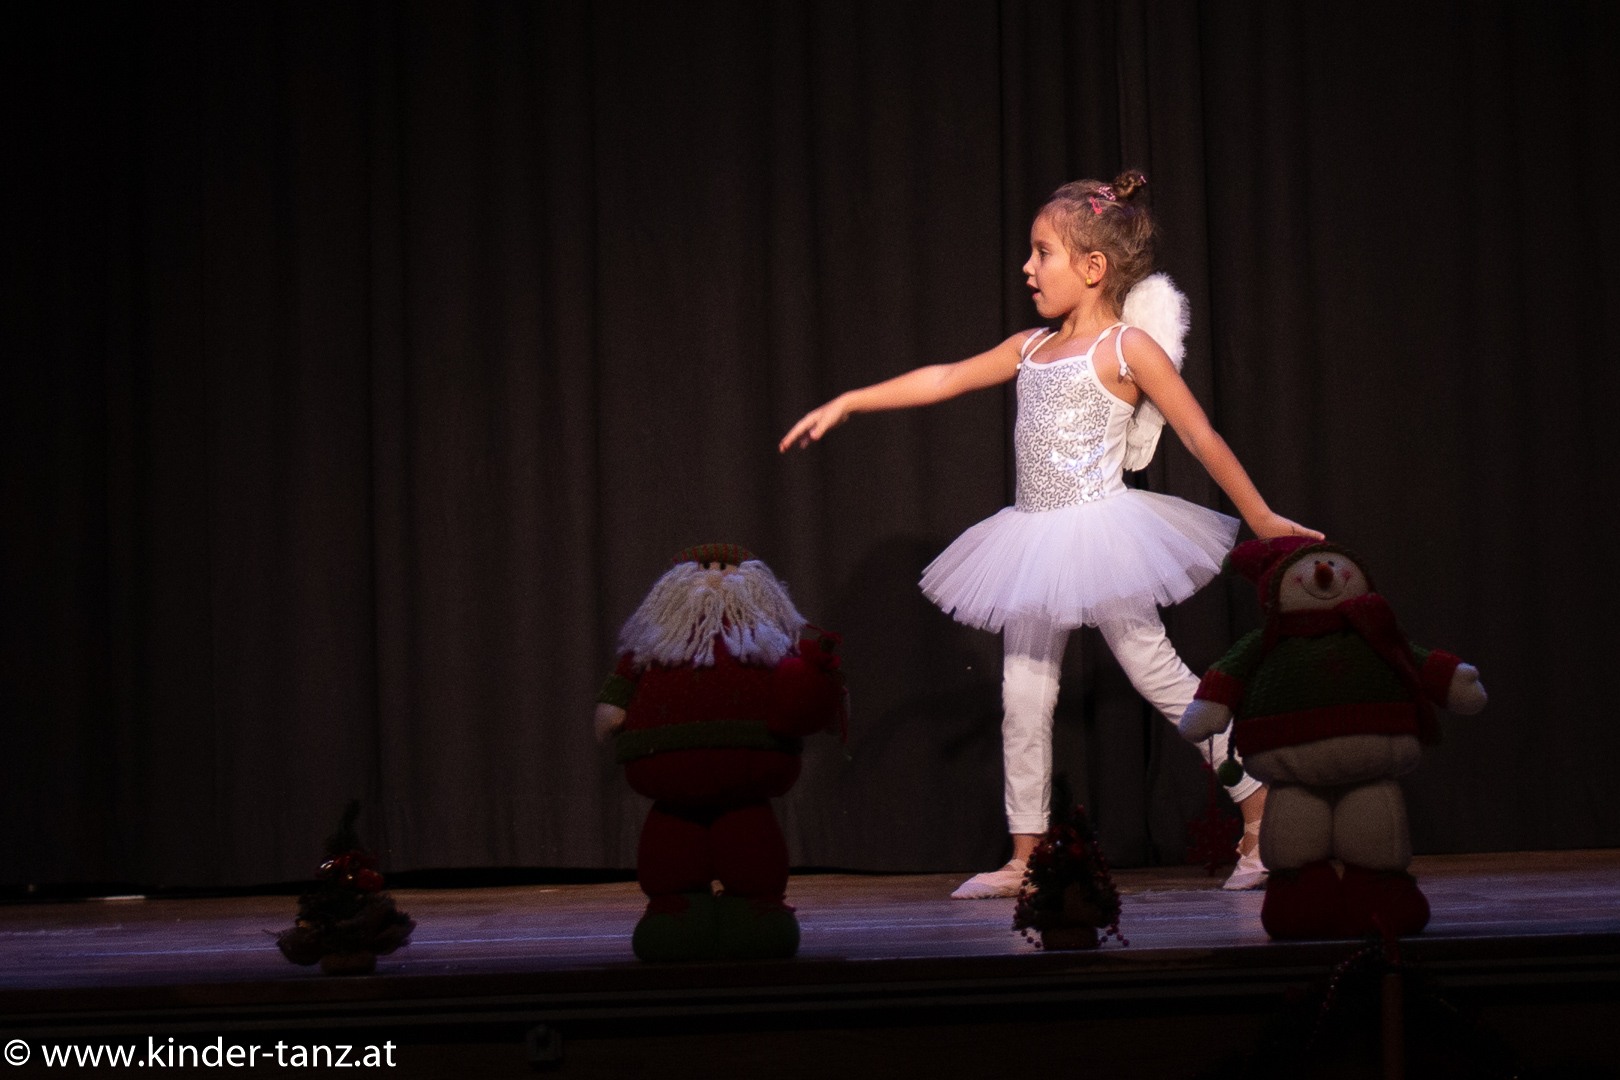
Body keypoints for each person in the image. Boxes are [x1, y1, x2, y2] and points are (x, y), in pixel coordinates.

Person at [778, 171, 1322, 897]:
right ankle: (1026, 854)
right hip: (1032, 542)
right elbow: (944, 378)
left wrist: (1262, 519)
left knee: (1158, 673)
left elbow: (1200, 437)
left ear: (1093, 268)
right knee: (1024, 696)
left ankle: (1257, 807)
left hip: (1100, 535)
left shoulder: (1129, 349)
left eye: (1043, 253)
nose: (1027, 268)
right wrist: (852, 400)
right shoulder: (1028, 349)